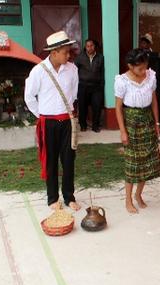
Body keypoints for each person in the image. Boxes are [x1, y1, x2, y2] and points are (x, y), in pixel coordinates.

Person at [25, 31, 80, 211]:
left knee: (68, 160)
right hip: (47, 123)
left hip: (67, 122)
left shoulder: (72, 69)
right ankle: (52, 198)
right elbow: (29, 97)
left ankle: (69, 196)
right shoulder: (38, 71)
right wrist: (41, 115)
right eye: (65, 52)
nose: (69, 55)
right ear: (54, 52)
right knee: (50, 162)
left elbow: (73, 94)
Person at [114, 49, 160, 214]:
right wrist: (123, 131)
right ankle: (127, 200)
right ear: (130, 66)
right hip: (131, 123)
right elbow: (118, 108)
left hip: (148, 120)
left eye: (145, 67)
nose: (144, 71)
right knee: (133, 164)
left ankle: (138, 195)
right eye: (140, 68)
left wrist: (157, 122)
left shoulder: (150, 76)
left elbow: (154, 100)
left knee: (147, 162)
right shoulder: (122, 81)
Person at [74, 38, 104, 133]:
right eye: (88, 46)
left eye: (91, 45)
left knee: (97, 106)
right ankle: (83, 125)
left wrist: (101, 85)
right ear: (85, 47)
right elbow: (74, 72)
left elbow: (102, 72)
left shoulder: (100, 57)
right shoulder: (80, 57)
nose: (90, 48)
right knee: (82, 107)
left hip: (96, 87)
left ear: (94, 46)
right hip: (83, 86)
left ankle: (95, 126)